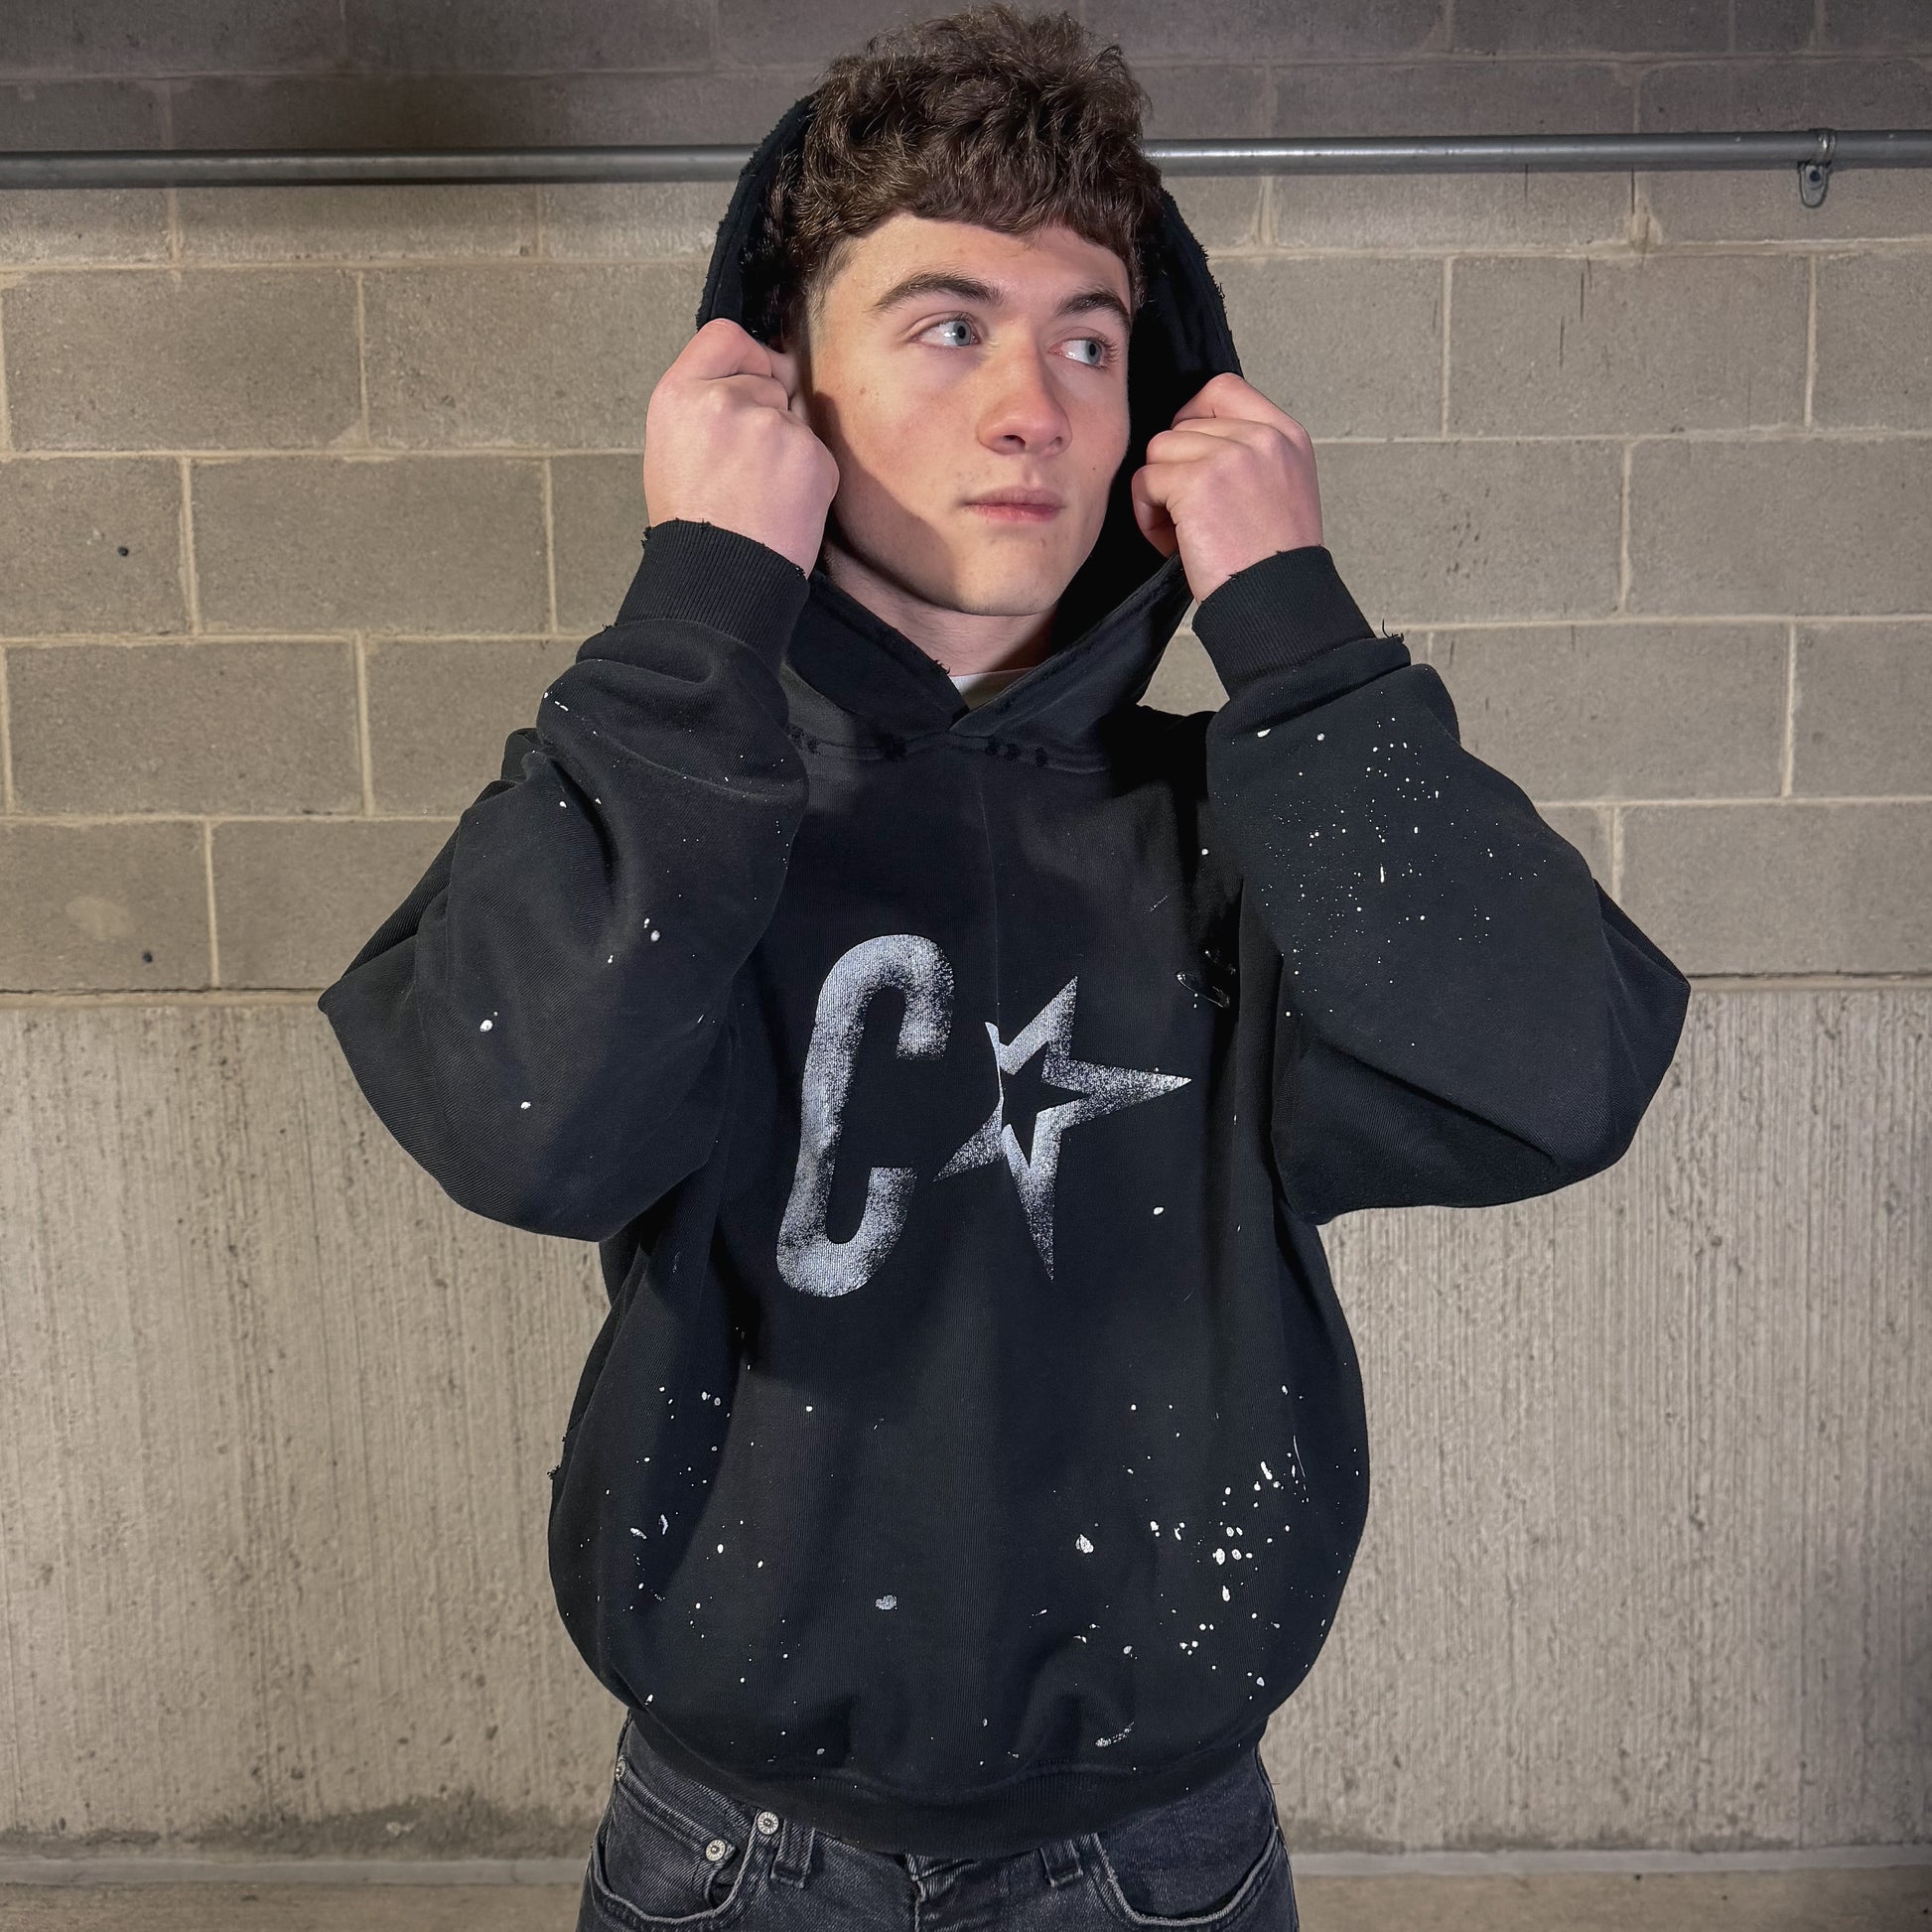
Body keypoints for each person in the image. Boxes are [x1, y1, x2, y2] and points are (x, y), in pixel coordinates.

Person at [316, 7, 1692, 1927]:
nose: (1036, 404)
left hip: (1158, 1851)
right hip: (731, 1848)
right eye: (948, 326)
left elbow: (1565, 1074)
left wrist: (1294, 630)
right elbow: (511, 1111)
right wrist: (702, 594)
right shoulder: (678, 797)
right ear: (781, 393)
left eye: (1089, 340)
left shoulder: (1251, 821)